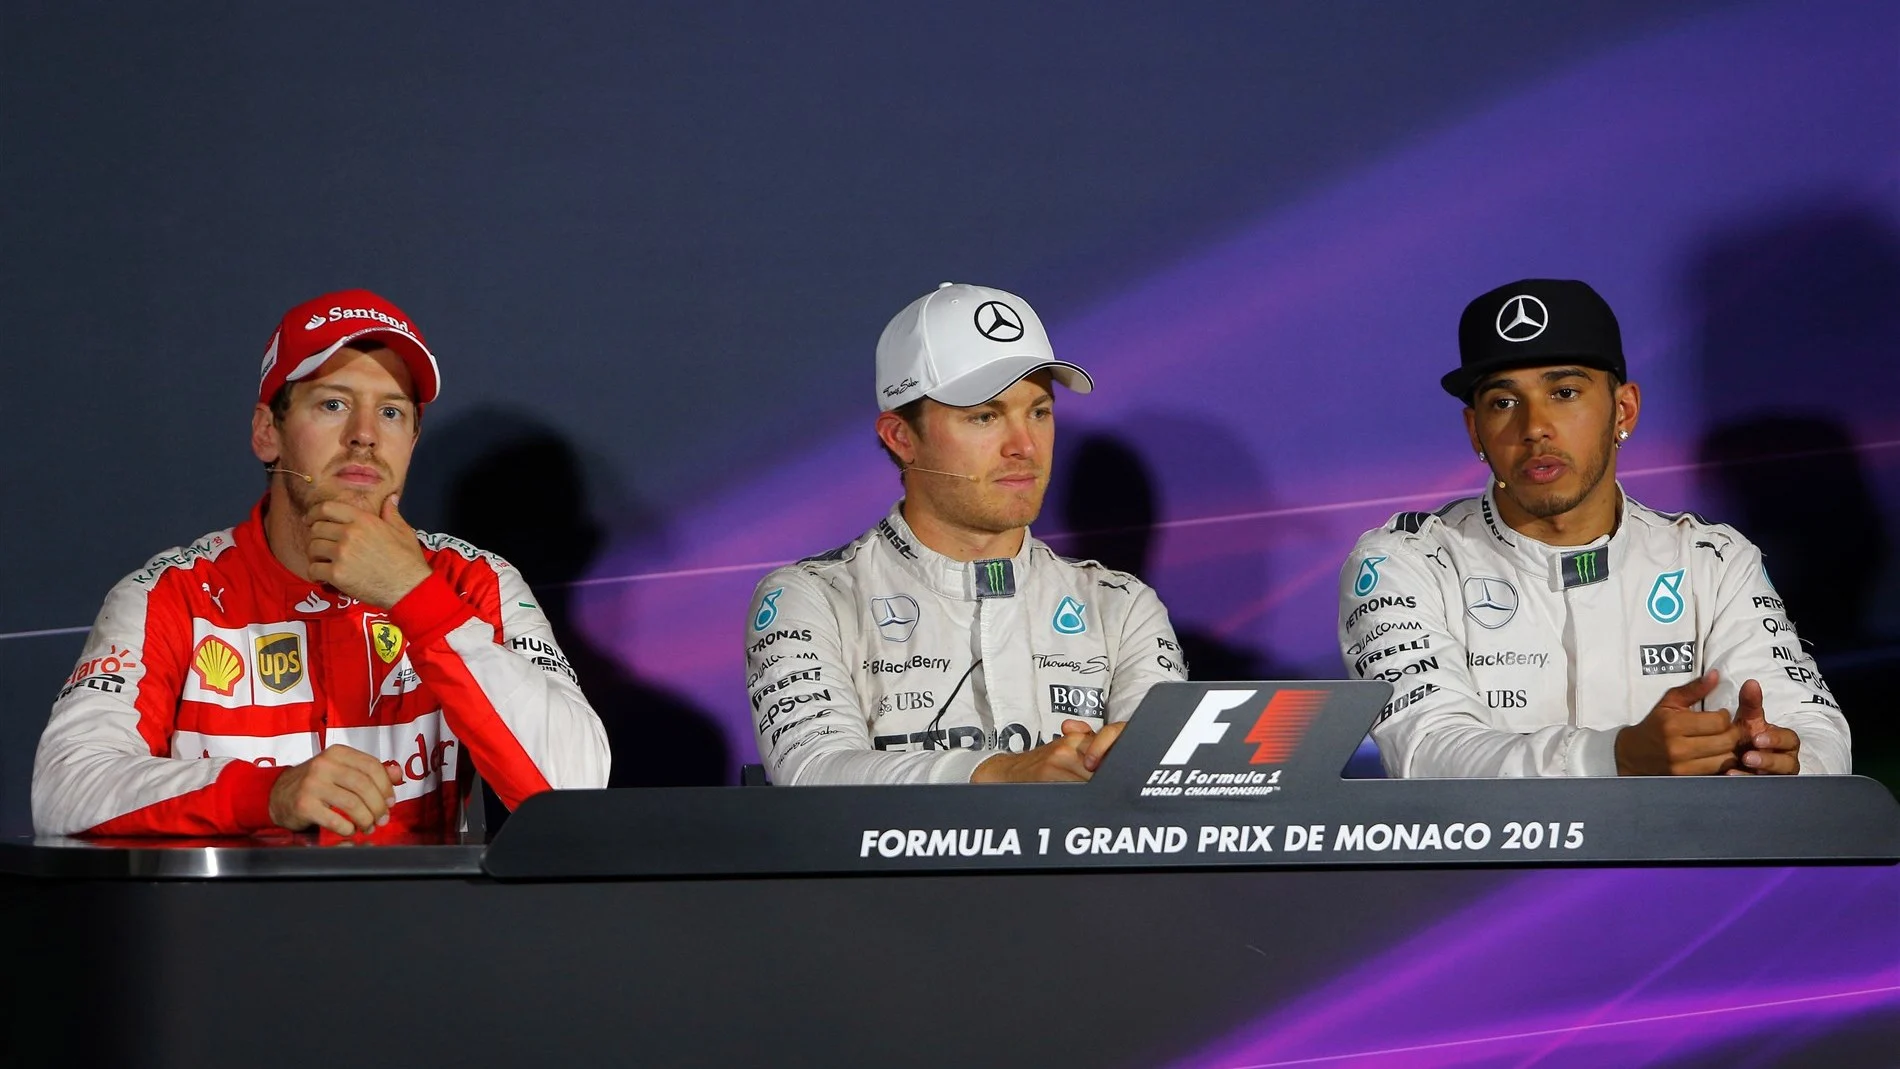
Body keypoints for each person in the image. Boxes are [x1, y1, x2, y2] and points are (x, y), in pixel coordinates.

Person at [33, 289, 610, 837]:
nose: (364, 436)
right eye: (333, 404)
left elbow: (573, 790)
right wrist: (269, 794)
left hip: (426, 933)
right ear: (268, 433)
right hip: (225, 935)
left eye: (390, 412)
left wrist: (417, 598)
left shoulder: (475, 582)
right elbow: (64, 788)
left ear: (412, 439)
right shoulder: (171, 593)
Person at [1337, 278, 1851, 778]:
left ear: (1623, 410)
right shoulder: (1403, 563)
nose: (1534, 426)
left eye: (1564, 391)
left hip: (1683, 865)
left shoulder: (1712, 561)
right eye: (1503, 402)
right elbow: (1426, 752)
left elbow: (1812, 728)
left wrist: (1783, 761)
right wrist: (1615, 757)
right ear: (1476, 429)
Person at [745, 282, 1187, 785]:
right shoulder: (811, 598)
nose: (1024, 445)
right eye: (984, 417)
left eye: (1039, 412)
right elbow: (812, 772)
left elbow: (1161, 785)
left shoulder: (1122, 606)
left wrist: (1131, 761)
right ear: (902, 437)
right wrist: (1002, 774)